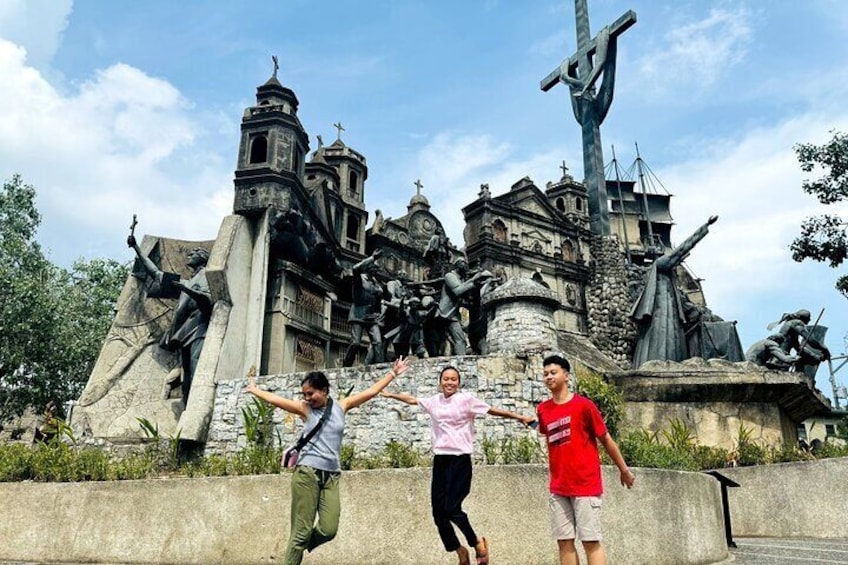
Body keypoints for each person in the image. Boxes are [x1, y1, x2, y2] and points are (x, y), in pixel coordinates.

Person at [245, 356, 410, 565]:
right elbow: (278, 401)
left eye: (311, 393)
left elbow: (370, 391)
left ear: (324, 390)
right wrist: (256, 390)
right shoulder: (305, 409)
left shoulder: (342, 406)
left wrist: (393, 373)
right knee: (300, 532)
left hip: (331, 475)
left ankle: (300, 544)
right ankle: (296, 549)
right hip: (307, 473)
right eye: (304, 394)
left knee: (329, 529)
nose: (307, 398)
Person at [381, 365, 535, 565]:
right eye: (446, 379)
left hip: (460, 460)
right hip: (441, 460)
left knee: (452, 508)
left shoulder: (466, 400)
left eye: (454, 379)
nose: (450, 382)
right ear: (440, 382)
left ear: (459, 382)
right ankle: (459, 551)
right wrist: (391, 395)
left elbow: (492, 411)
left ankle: (476, 542)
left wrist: (519, 417)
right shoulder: (434, 401)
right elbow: (412, 399)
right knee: (438, 513)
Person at [536, 354, 635, 565]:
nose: (548, 377)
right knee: (564, 541)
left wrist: (623, 470)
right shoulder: (543, 409)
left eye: (553, 372)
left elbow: (606, 439)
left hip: (585, 484)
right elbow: (550, 442)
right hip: (559, 486)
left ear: (566, 375)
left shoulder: (584, 406)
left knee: (590, 541)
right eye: (545, 374)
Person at [128, 234, 212, 402]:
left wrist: (188, 290)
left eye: (194, 252)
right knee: (186, 374)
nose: (190, 254)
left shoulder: (206, 277)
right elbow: (156, 273)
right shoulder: (186, 281)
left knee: (195, 368)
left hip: (200, 327)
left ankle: (198, 405)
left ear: (202, 258)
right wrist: (136, 247)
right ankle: (187, 406)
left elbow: (208, 301)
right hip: (186, 331)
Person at [630, 216, 717, 368]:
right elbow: (682, 249)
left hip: (668, 309)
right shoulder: (661, 264)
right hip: (663, 312)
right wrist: (704, 228)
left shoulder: (660, 275)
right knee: (663, 339)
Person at [435, 259, 492, 356]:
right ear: (456, 265)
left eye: (466, 264)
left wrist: (478, 283)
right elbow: (458, 291)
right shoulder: (449, 276)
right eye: (463, 263)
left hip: (453, 316)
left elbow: (466, 293)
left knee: (460, 340)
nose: (465, 266)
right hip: (443, 313)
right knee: (439, 342)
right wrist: (474, 281)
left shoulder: (461, 279)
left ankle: (461, 363)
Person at [343, 250, 385, 367]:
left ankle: (379, 366)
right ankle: (346, 365)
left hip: (371, 316)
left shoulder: (375, 283)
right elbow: (355, 268)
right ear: (368, 268)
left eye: (377, 270)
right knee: (356, 343)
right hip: (358, 314)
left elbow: (379, 297)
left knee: (378, 342)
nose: (376, 271)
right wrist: (372, 257)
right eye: (374, 268)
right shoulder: (359, 279)